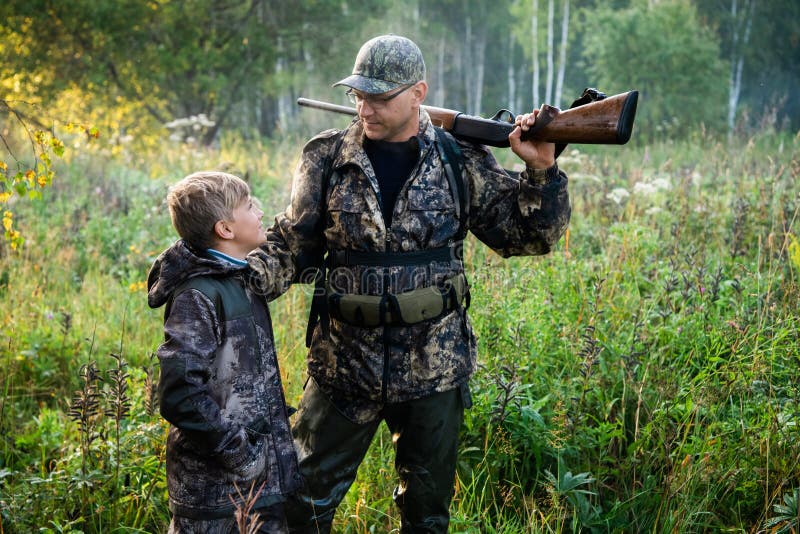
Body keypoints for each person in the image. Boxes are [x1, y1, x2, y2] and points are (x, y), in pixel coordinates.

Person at [249, 34, 571, 533]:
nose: (365, 108)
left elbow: (527, 237)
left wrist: (541, 170)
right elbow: (292, 247)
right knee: (299, 506)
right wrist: (232, 280)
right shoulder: (326, 157)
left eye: (380, 97)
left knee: (426, 515)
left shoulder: (458, 159)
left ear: (418, 93)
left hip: (434, 368)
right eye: (359, 95)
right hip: (343, 366)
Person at [147, 171, 301, 533]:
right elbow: (180, 393)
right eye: (249, 206)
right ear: (225, 229)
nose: (260, 212)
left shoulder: (240, 278)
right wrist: (241, 453)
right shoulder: (197, 295)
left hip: (257, 489)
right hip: (215, 496)